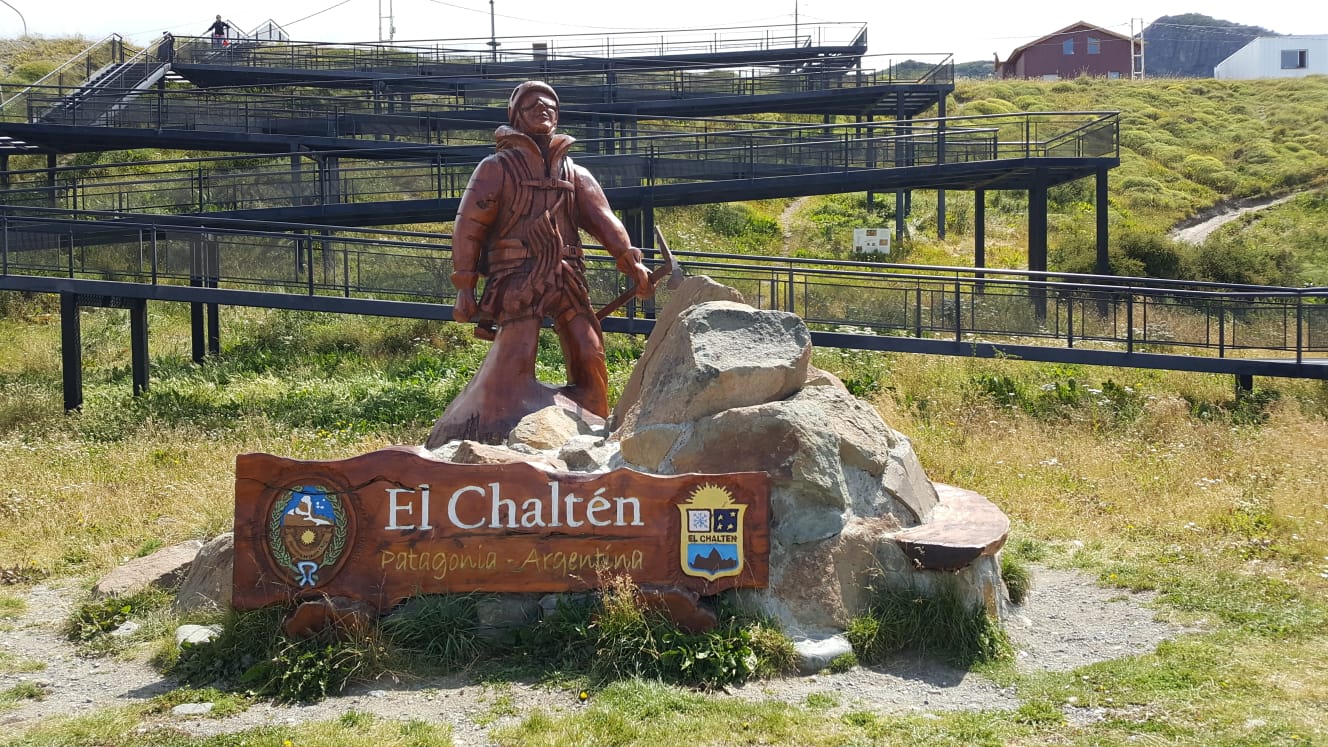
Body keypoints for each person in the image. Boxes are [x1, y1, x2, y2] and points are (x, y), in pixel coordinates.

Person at [427, 80, 652, 446]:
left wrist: (630, 261)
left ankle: (590, 423)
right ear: (516, 116)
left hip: (568, 276)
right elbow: (469, 227)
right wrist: (465, 288)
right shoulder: (495, 169)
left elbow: (604, 220)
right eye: (533, 106)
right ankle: (496, 428)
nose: (543, 110)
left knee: (590, 351)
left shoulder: (574, 173)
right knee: (515, 356)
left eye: (550, 106)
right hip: (517, 276)